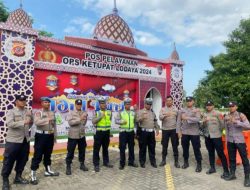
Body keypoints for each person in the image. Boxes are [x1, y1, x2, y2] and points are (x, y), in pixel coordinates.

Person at [1, 94, 33, 190]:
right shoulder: (11, 111)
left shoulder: (28, 111)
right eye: (21, 100)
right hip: (13, 141)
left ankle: (18, 177)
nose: (23, 101)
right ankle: (5, 180)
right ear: (16, 101)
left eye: (24, 100)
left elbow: (31, 122)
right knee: (8, 160)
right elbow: (10, 124)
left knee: (23, 159)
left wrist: (28, 125)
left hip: (25, 140)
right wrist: (23, 122)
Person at [30, 97, 59, 185]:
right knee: (38, 155)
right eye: (45, 102)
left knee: (48, 154)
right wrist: (48, 119)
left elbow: (54, 125)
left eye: (48, 102)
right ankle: (33, 174)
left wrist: (55, 136)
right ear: (42, 103)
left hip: (50, 135)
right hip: (41, 136)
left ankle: (48, 170)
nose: (47, 104)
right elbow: (37, 122)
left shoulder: (52, 112)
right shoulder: (39, 112)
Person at [224, 101, 250, 187]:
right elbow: (226, 130)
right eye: (230, 106)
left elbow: (248, 125)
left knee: (244, 159)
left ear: (236, 107)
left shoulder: (240, 115)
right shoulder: (226, 116)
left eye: (232, 106)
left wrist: (236, 122)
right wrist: (227, 141)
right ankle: (232, 174)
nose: (231, 107)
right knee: (232, 159)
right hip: (230, 141)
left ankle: (247, 178)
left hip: (240, 141)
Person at [201, 100, 229, 178]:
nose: (208, 106)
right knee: (210, 152)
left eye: (210, 105)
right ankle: (212, 168)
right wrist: (203, 122)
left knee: (220, 153)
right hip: (207, 136)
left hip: (216, 136)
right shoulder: (204, 114)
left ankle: (226, 170)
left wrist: (218, 131)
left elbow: (223, 124)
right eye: (207, 105)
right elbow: (203, 127)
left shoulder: (217, 113)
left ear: (213, 106)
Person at [177, 96, 202, 172]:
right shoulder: (182, 110)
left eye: (190, 101)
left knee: (196, 149)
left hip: (194, 133)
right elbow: (178, 121)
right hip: (184, 132)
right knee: (185, 148)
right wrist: (178, 131)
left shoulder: (196, 110)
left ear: (193, 101)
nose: (188, 102)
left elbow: (198, 119)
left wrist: (187, 118)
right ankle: (186, 162)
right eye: (187, 101)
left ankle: (199, 164)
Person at [65, 99, 88, 175]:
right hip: (73, 135)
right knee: (70, 151)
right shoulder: (71, 112)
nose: (79, 105)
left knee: (82, 151)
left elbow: (84, 123)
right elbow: (71, 123)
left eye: (80, 104)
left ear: (81, 105)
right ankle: (68, 166)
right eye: (77, 104)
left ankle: (82, 164)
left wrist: (84, 119)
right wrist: (79, 119)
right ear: (75, 105)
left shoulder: (84, 112)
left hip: (81, 135)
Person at [136, 98, 160, 168]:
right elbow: (136, 120)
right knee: (143, 148)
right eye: (147, 104)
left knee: (152, 148)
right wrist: (142, 118)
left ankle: (153, 162)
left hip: (151, 133)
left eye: (150, 104)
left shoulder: (152, 112)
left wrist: (157, 129)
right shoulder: (140, 112)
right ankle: (142, 162)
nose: (149, 105)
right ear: (145, 104)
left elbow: (155, 121)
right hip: (143, 132)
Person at [115, 98, 138, 170]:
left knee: (131, 147)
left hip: (131, 132)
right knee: (122, 148)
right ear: (124, 105)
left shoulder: (133, 113)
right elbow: (116, 120)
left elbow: (135, 122)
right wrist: (122, 122)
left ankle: (131, 162)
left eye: (129, 104)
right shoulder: (121, 112)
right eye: (126, 104)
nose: (128, 105)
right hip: (123, 132)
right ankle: (122, 163)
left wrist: (135, 131)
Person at [92, 97, 113, 172]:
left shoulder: (109, 112)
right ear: (99, 104)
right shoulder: (96, 112)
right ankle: (96, 164)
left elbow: (109, 120)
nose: (103, 104)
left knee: (105, 148)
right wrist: (100, 116)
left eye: (104, 103)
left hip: (106, 133)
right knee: (96, 149)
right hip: (99, 133)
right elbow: (93, 121)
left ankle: (106, 162)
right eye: (101, 103)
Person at [159, 96, 180, 168]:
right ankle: (163, 160)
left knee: (175, 146)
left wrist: (179, 130)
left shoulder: (175, 109)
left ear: (172, 101)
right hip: (165, 130)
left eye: (170, 100)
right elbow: (160, 117)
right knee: (164, 146)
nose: (169, 102)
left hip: (174, 130)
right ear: (166, 101)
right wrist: (165, 115)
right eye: (167, 100)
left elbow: (178, 120)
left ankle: (176, 161)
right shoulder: (163, 109)